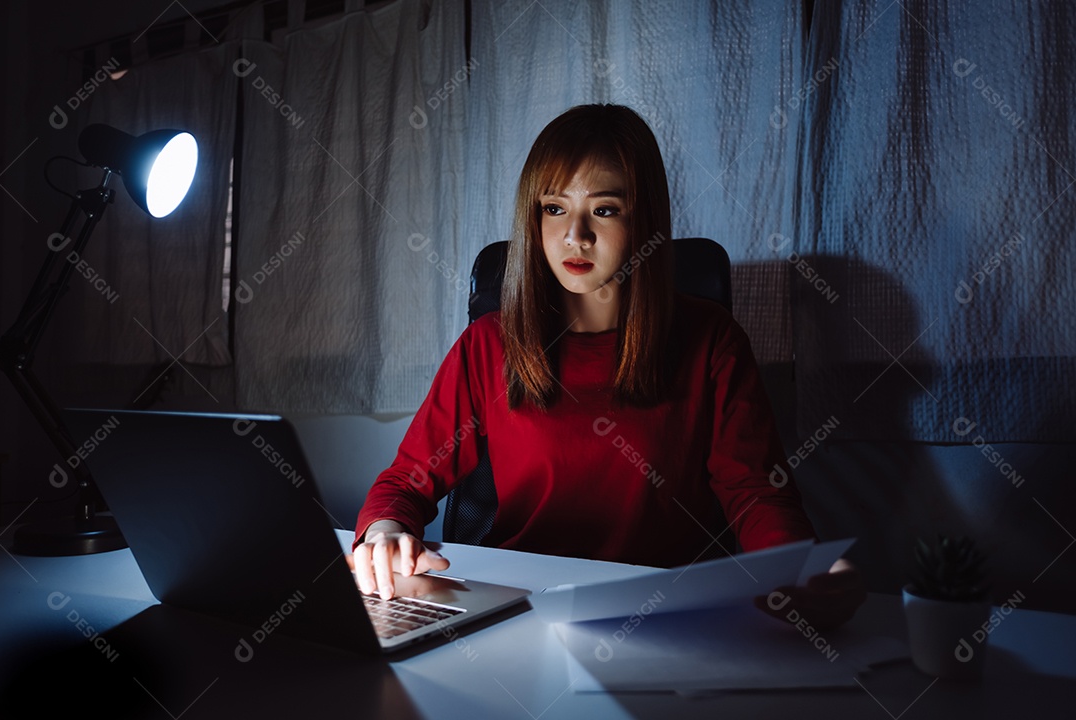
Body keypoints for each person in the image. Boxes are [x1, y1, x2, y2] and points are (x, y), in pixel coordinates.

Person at [353, 104, 865, 628]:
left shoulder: (711, 339)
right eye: (554, 209)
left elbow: (757, 494)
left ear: (643, 219)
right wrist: (384, 532)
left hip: (667, 612)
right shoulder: (489, 343)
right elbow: (404, 483)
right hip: (522, 609)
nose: (576, 236)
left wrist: (802, 567)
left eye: (604, 210)